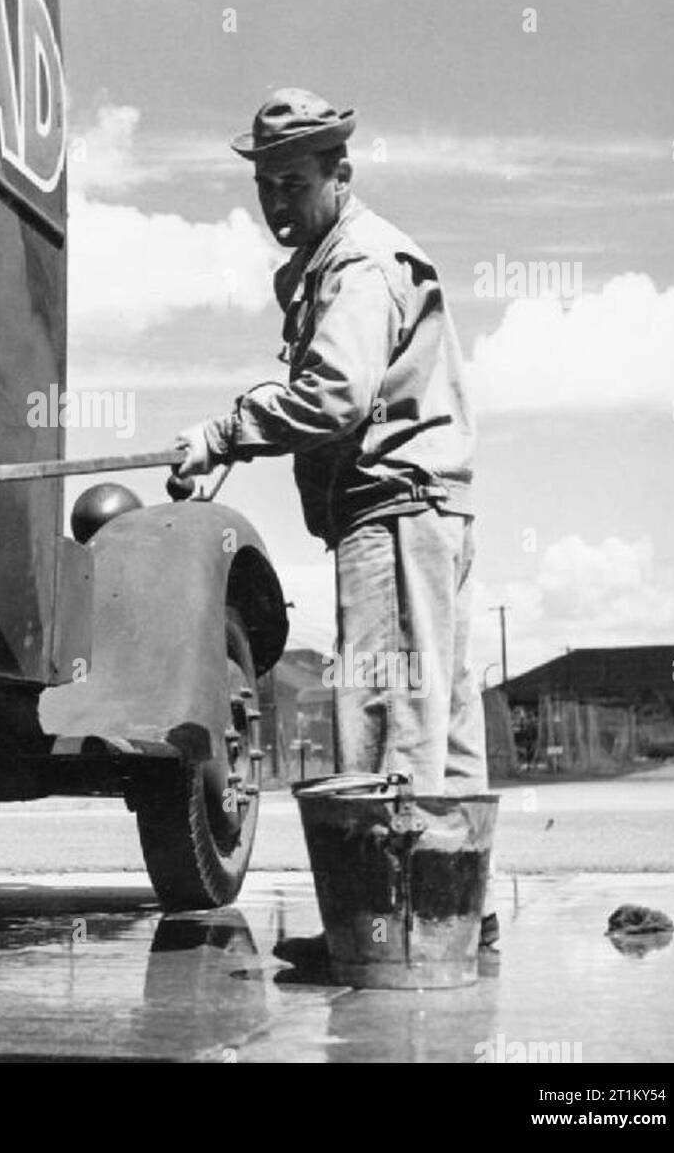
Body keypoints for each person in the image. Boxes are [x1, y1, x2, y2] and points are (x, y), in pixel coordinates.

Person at [172, 87, 497, 952]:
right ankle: (455, 922)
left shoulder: (355, 264)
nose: (278, 202)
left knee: (390, 711)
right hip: (430, 510)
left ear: (340, 172)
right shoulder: (351, 256)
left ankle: (387, 931)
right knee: (442, 720)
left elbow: (335, 399)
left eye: (294, 182)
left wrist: (224, 432)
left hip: (391, 511)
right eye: (267, 185)